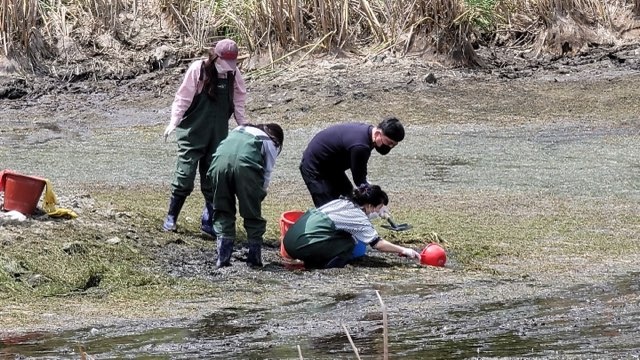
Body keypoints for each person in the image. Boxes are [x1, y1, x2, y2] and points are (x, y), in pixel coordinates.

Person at [162, 38, 248, 235]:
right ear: (215, 57)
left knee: (213, 179)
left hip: (218, 135)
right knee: (185, 176)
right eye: (224, 64)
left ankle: (209, 222)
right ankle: (171, 217)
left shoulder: (234, 75)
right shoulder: (198, 70)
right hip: (192, 132)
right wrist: (173, 123)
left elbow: (239, 101)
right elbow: (182, 98)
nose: (227, 68)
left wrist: (243, 126)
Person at [283, 183, 420, 269]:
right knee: (349, 242)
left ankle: (311, 258)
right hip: (299, 246)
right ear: (370, 205)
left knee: (344, 235)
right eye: (378, 208)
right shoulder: (358, 217)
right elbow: (377, 243)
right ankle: (322, 267)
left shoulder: (341, 202)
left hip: (289, 240)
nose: (378, 211)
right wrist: (403, 250)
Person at [208, 123, 284, 268]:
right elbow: (266, 173)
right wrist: (258, 195)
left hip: (218, 163)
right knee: (252, 214)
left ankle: (222, 258)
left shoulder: (238, 129)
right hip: (246, 166)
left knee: (222, 209)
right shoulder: (270, 142)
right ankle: (254, 259)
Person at [299, 117, 404, 208]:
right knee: (328, 207)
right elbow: (360, 180)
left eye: (393, 145)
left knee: (349, 197)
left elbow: (361, 178)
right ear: (378, 133)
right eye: (389, 143)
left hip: (332, 168)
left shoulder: (369, 135)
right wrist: (377, 200)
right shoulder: (360, 146)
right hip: (314, 167)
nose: (390, 147)